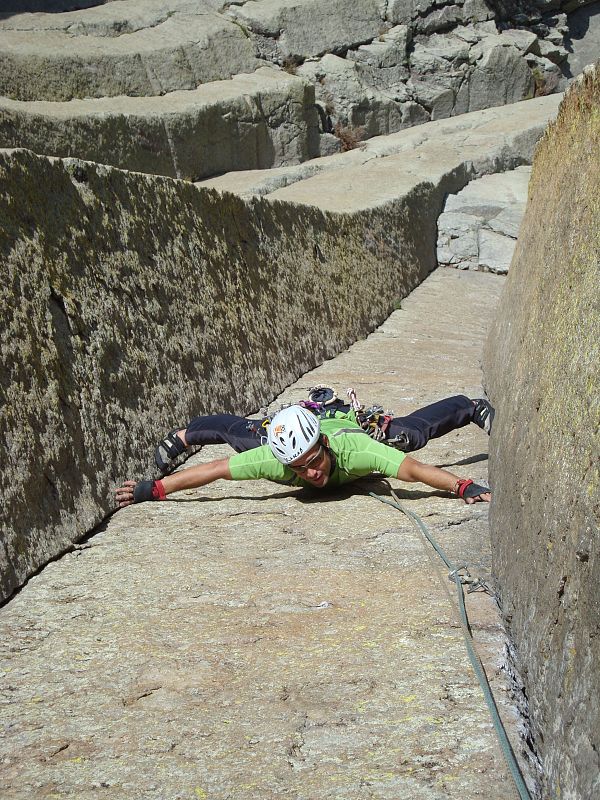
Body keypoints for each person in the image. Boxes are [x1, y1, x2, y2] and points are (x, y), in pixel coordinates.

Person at [115, 395, 494, 508]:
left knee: (408, 436)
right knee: (244, 437)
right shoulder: (277, 461)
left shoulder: (357, 449)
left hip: (349, 421)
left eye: (313, 463)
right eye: (299, 469)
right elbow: (216, 469)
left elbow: (412, 470)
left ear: (323, 446)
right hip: (293, 429)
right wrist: (155, 489)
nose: (310, 474)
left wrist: (462, 486)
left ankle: (469, 407)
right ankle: (187, 433)